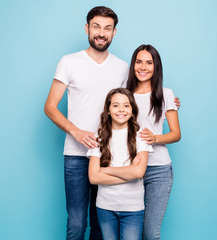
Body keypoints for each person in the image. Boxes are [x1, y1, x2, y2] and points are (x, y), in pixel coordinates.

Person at [44, 6, 128, 240]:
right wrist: (77, 132)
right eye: (97, 27)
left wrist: (167, 100)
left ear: (114, 32)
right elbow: (50, 107)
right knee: (77, 224)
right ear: (87, 28)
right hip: (76, 155)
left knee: (102, 224)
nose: (101, 33)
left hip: (109, 156)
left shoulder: (121, 67)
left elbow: (131, 104)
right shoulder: (69, 62)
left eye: (107, 28)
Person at [126, 44, 181, 239]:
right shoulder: (124, 94)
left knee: (150, 233)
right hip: (130, 169)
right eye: (139, 62)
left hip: (159, 170)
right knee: (130, 232)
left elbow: (176, 134)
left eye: (149, 63)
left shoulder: (166, 94)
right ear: (133, 65)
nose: (143, 67)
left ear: (156, 67)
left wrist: (154, 138)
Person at [87, 88, 153, 240]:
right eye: (115, 105)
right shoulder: (99, 138)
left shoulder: (141, 136)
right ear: (108, 110)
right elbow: (93, 178)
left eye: (126, 105)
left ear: (132, 109)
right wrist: (129, 171)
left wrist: (104, 171)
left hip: (133, 208)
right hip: (105, 207)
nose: (121, 110)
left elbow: (138, 173)